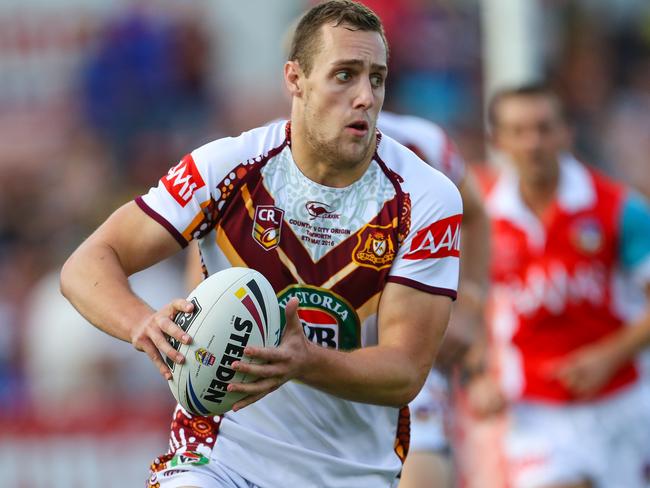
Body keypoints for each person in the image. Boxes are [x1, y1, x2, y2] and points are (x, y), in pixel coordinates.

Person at [60, 2, 463, 487]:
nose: (364, 97)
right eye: (344, 75)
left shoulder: (426, 198)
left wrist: (304, 360)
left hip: (352, 471)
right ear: (296, 79)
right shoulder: (225, 168)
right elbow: (85, 265)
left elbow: (405, 371)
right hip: (219, 459)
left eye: (376, 78)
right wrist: (141, 323)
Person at [464, 84, 650, 488]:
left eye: (544, 128)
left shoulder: (619, 207)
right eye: (518, 131)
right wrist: (477, 375)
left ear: (567, 132)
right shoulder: (483, 220)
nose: (532, 143)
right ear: (498, 140)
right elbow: (466, 306)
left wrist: (608, 355)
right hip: (535, 412)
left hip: (623, 402)